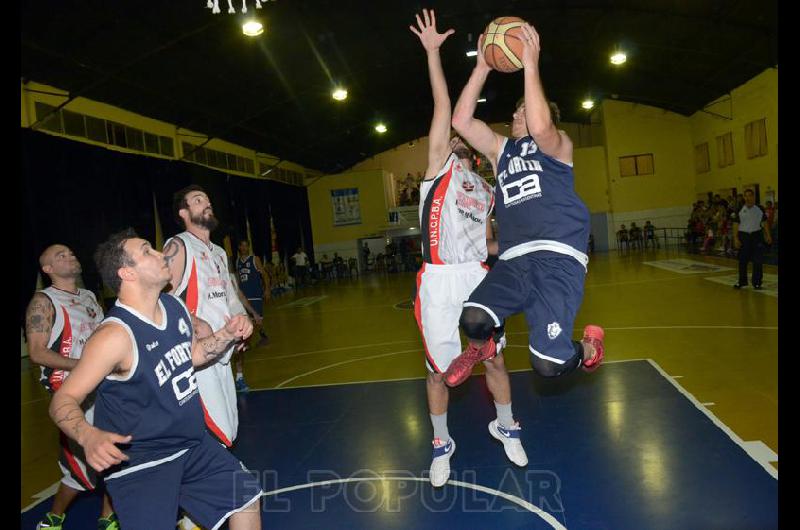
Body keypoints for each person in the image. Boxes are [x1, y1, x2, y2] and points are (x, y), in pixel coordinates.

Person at [49, 229, 262, 529]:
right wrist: (87, 435)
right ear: (127, 273)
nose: (161, 254)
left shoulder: (173, 307)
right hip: (142, 462)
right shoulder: (114, 336)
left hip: (191, 445)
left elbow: (190, 356)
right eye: (147, 251)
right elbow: (63, 398)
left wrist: (225, 335)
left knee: (246, 499)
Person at [447, 21, 605, 389]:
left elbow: (541, 125)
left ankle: (587, 348)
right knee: (472, 318)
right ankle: (482, 345)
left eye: (523, 112)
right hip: (515, 260)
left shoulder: (558, 146)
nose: (517, 116)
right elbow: (461, 121)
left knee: (549, 366)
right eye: (517, 112)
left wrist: (530, 65)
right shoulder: (502, 152)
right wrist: (482, 67)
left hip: (557, 257)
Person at [409, 9, 525, 488]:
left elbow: (491, 241)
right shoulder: (438, 170)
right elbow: (442, 108)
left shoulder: (485, 188)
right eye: (451, 136)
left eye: (460, 140)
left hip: (479, 274)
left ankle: (506, 424)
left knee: (494, 357)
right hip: (438, 277)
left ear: (472, 152)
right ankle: (441, 443)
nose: (454, 138)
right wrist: (434, 54)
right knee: (438, 371)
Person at [25, 245, 119, 530]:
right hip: (71, 392)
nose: (71, 257)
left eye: (71, 253)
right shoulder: (43, 301)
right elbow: (38, 353)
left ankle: (107, 517)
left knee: (118, 453)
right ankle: (55, 517)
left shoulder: (90, 296)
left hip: (104, 387)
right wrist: (85, 365)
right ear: (47, 269)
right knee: (81, 471)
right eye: (60, 256)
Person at [235, 240, 270, 390]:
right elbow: (237, 279)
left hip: (255, 295)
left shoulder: (254, 259)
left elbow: (264, 275)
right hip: (243, 297)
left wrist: (267, 289)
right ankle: (252, 339)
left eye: (245, 245)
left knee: (257, 321)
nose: (243, 247)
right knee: (247, 322)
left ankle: (262, 335)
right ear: (239, 247)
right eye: (241, 245)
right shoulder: (237, 262)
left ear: (248, 246)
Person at [732, 188, 772, 289]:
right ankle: (742, 282)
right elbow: (735, 224)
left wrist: (768, 235)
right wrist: (736, 238)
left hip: (756, 236)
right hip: (744, 236)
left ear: (753, 197)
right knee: (743, 260)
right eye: (746, 196)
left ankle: (757, 282)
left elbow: (764, 223)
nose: (748, 198)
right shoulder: (739, 209)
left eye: (750, 195)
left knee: (758, 260)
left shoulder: (760, 209)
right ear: (744, 197)